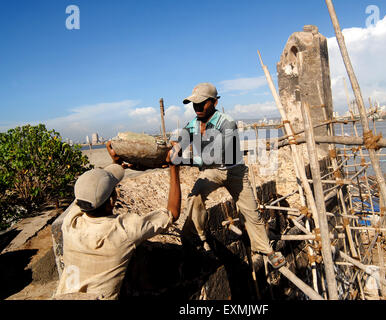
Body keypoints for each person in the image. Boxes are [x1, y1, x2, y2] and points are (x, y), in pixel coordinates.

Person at [175, 82, 286, 269]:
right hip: (211, 171)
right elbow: (179, 144)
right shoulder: (192, 124)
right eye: (194, 103)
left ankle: (265, 249)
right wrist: (173, 152)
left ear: (214, 103)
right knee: (194, 198)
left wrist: (184, 160)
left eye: (202, 103)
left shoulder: (226, 122)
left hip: (234, 170)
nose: (197, 107)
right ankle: (198, 239)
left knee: (251, 211)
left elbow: (216, 154)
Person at [54, 147, 181, 300]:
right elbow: (172, 213)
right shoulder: (123, 230)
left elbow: (91, 192)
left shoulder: (70, 224)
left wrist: (115, 164)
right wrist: (174, 167)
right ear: (112, 202)